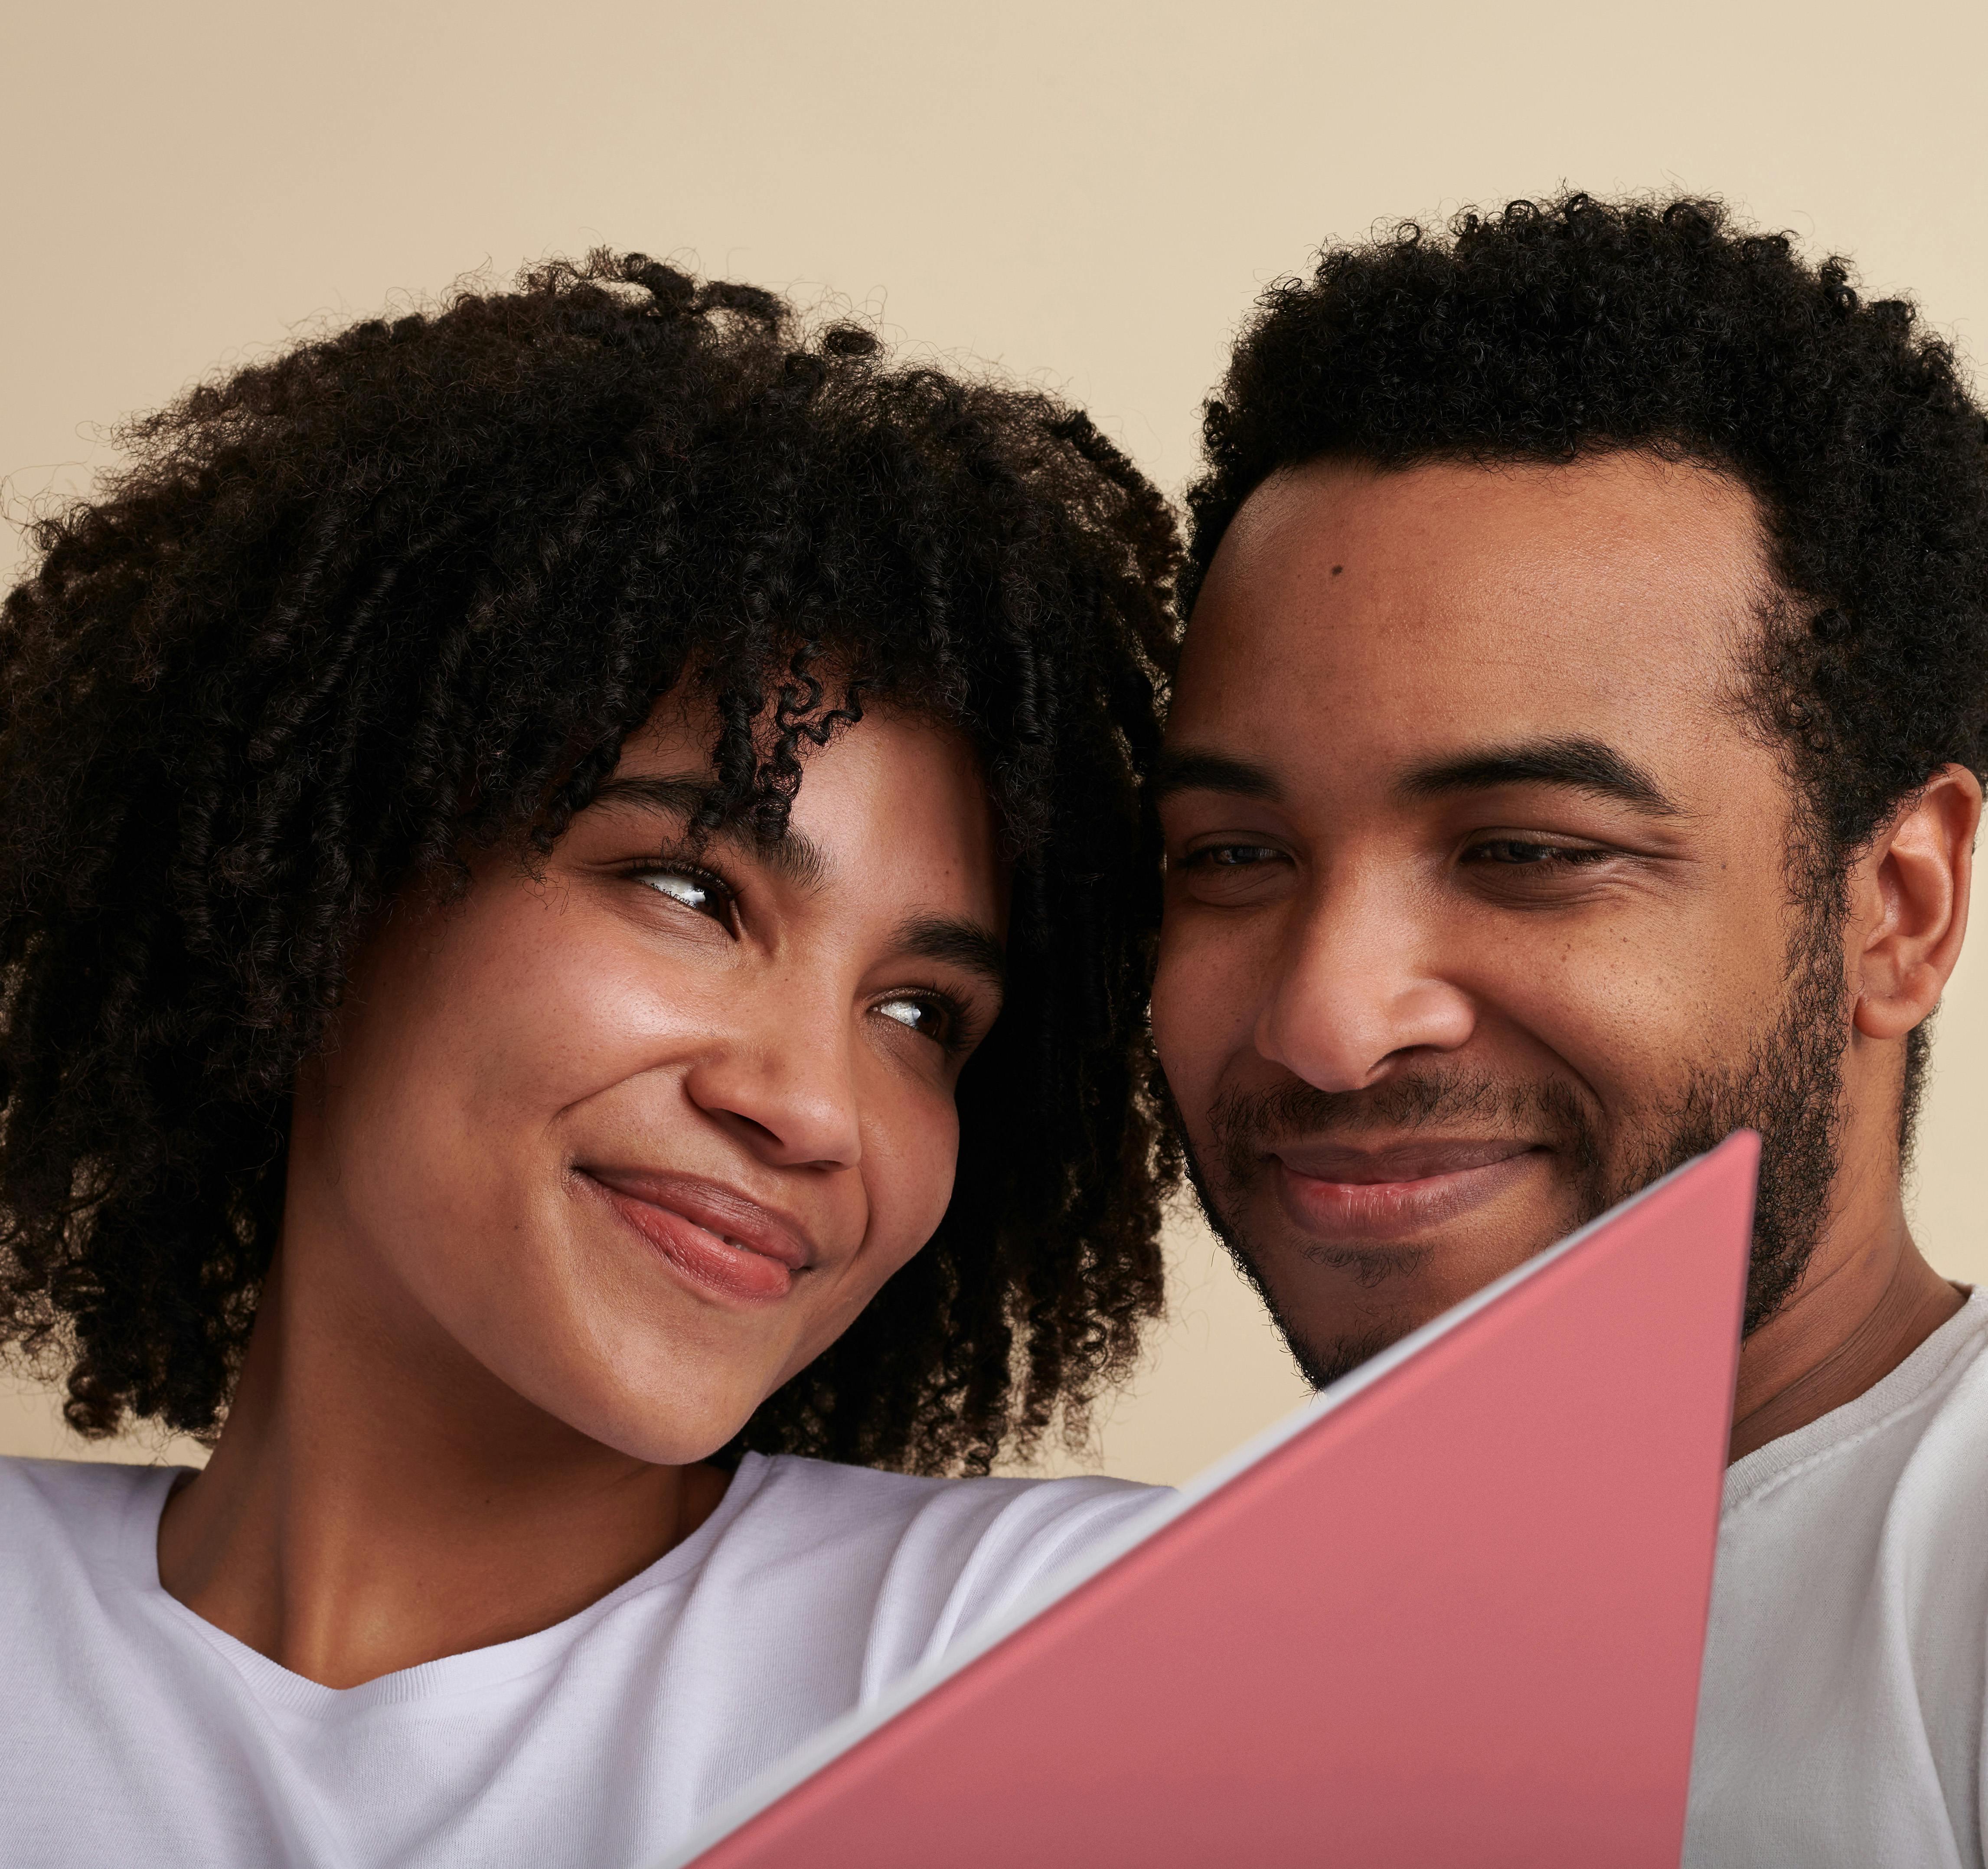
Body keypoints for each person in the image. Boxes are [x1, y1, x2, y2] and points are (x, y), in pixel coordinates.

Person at [0, 252, 1180, 1867]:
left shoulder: (1051, 1648)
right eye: (691, 890)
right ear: (328, 880)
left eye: (920, 1015)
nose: (816, 1108)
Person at [1149, 196, 1988, 1865]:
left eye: (1528, 852)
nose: (1327, 1022)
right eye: (1235, 858)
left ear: (1892, 909)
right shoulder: (1106, 1677)